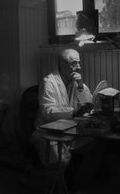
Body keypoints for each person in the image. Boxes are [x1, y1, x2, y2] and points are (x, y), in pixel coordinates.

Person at [32, 48, 104, 192]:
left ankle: (77, 184)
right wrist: (74, 112)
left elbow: (89, 104)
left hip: (70, 131)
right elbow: (48, 112)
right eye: (73, 63)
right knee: (61, 161)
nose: (78, 67)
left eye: (79, 63)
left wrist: (81, 86)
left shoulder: (74, 81)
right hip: (47, 133)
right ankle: (62, 187)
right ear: (61, 64)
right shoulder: (49, 82)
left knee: (98, 145)